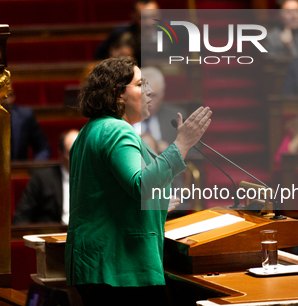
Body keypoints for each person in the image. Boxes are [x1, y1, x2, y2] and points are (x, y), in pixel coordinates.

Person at [65, 56, 212, 305]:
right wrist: (182, 144)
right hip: (120, 267)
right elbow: (141, 185)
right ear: (117, 95)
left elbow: (105, 196)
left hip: (99, 265)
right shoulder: (115, 129)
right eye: (140, 84)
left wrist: (158, 203)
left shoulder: (90, 130)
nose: (150, 91)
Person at [12, 130, 79, 224]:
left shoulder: (92, 178)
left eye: (80, 151)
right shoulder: (42, 178)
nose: (77, 157)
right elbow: (21, 217)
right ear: (60, 154)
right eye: (71, 153)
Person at [94, 0, 160, 66]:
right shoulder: (120, 34)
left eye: (153, 16)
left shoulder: (168, 34)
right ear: (133, 16)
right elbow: (100, 58)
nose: (149, 23)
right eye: (143, 17)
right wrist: (115, 58)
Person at [2, 87, 51, 161]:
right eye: (3, 97)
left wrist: (33, 169)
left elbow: (43, 149)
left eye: (10, 95)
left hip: (20, 170)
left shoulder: (25, 116)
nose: (8, 101)